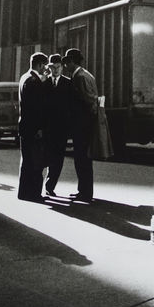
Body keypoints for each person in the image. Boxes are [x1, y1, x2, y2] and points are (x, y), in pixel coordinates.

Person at [62, 48, 98, 203]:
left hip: (81, 124)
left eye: (66, 63)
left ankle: (84, 192)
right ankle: (84, 190)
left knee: (81, 158)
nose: (65, 66)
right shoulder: (87, 75)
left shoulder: (79, 77)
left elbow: (86, 100)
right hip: (86, 123)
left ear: (71, 61)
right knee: (84, 158)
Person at [17, 52, 48, 203]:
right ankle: (35, 194)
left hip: (24, 126)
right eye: (45, 66)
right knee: (36, 162)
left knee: (26, 161)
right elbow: (36, 108)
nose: (45, 69)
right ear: (40, 65)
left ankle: (23, 192)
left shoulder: (24, 77)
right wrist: (39, 128)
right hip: (33, 128)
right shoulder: (34, 81)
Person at [42, 53, 71, 198]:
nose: (56, 70)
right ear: (48, 68)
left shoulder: (68, 83)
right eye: (53, 67)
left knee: (58, 159)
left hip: (61, 129)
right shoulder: (44, 83)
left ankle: (50, 186)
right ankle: (41, 184)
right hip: (46, 129)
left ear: (62, 67)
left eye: (58, 67)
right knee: (44, 157)